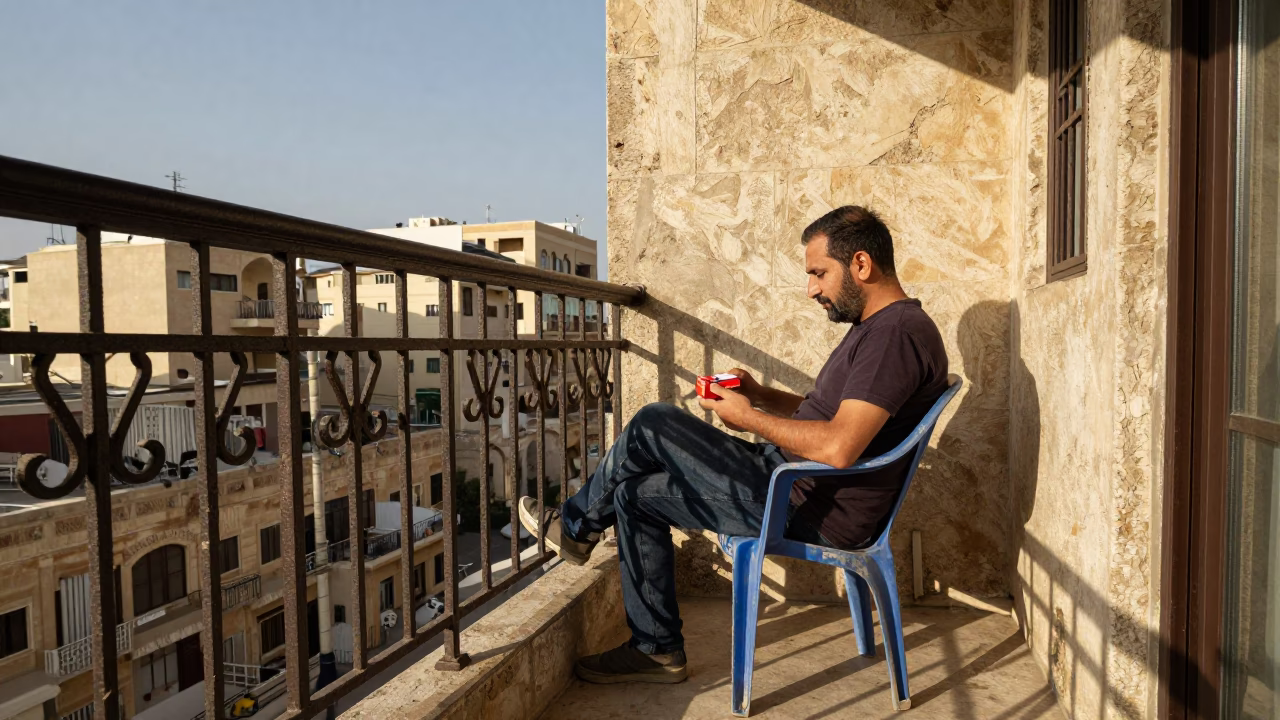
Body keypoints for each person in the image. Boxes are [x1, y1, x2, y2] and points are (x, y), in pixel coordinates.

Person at [517, 205, 949, 685]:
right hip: (792, 482)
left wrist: (750, 417)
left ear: (862, 265)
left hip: (803, 501)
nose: (812, 289)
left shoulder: (894, 336)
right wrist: (760, 395)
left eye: (819, 273)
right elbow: (830, 416)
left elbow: (840, 447)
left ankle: (575, 527)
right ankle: (656, 649)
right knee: (632, 495)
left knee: (654, 422)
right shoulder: (881, 330)